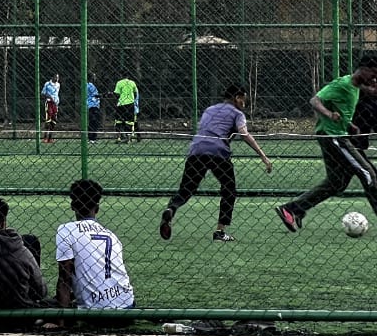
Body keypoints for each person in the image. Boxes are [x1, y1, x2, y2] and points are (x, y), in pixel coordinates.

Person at [159, 83, 272, 243]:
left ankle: (171, 209)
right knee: (229, 189)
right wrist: (263, 156)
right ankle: (220, 231)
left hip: (196, 150)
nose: (244, 104)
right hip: (218, 152)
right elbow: (244, 134)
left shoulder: (209, 110)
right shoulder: (237, 113)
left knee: (186, 189)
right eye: (243, 100)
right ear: (237, 98)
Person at [275, 56, 377, 233]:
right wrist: (329, 115)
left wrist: (349, 125)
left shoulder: (354, 87)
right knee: (368, 174)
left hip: (336, 134)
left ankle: (292, 209)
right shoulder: (342, 84)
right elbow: (315, 100)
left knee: (336, 183)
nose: (374, 79)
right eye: (373, 74)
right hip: (333, 137)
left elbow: (344, 108)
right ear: (363, 69)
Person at [55, 179, 135, 310]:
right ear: (97, 208)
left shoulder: (66, 230)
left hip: (95, 311)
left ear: (72, 206)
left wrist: (59, 321)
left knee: (50, 303)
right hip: (127, 305)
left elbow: (65, 278)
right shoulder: (111, 235)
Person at [113, 75, 138, 143]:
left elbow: (117, 94)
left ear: (121, 75)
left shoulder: (119, 83)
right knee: (129, 121)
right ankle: (129, 138)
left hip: (121, 104)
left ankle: (118, 138)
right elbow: (135, 92)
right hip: (130, 104)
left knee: (118, 121)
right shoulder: (132, 82)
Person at [41, 73, 60, 144]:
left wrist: (56, 100)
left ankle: (50, 138)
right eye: (56, 77)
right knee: (48, 120)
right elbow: (43, 93)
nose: (57, 79)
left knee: (54, 121)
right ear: (52, 77)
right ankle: (45, 137)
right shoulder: (47, 84)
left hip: (55, 104)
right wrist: (49, 96)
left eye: (58, 78)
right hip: (49, 103)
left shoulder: (58, 85)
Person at [86, 75, 102, 143]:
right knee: (93, 121)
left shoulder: (91, 85)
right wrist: (103, 95)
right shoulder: (89, 85)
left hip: (95, 105)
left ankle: (93, 138)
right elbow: (94, 95)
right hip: (92, 105)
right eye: (94, 76)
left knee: (95, 122)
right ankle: (91, 138)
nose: (95, 78)